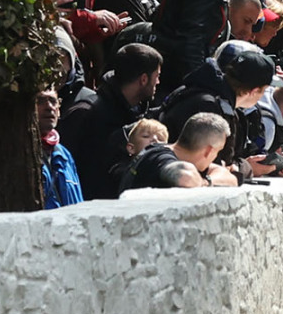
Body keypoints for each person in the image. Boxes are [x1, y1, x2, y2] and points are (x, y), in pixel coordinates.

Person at [158, 39, 283, 177]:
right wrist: (246, 168)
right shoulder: (208, 106)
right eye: (265, 90)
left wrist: (268, 167)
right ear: (254, 91)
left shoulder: (225, 105)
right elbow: (209, 165)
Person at [59, 43, 163, 200]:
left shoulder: (138, 114)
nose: (158, 82)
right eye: (156, 76)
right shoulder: (86, 114)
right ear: (143, 79)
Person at [121, 111, 239, 190]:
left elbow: (230, 178)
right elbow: (185, 178)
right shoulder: (160, 157)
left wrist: (207, 181)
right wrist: (204, 183)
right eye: (218, 151)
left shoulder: (163, 152)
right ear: (208, 151)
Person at [37, 87, 84, 209]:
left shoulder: (64, 155)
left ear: (58, 110)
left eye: (53, 101)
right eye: (40, 101)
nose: (49, 107)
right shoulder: (21, 154)